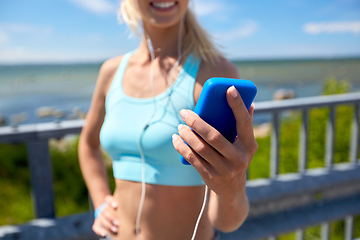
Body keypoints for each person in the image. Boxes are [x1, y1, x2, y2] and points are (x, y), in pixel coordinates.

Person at [78, 0, 258, 239]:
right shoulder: (111, 71)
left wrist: (233, 184)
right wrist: (101, 202)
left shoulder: (213, 72)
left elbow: (227, 223)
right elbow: (88, 144)